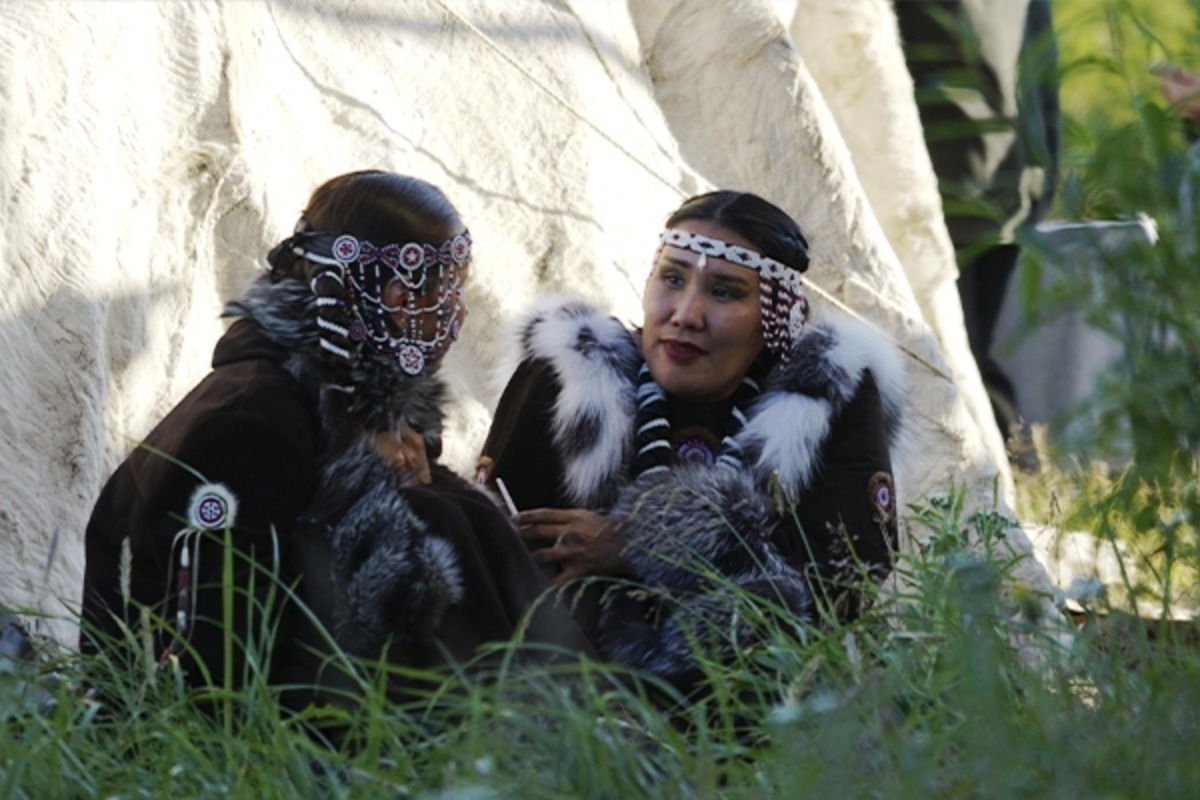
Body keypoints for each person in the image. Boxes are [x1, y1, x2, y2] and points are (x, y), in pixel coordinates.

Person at [80, 170, 585, 709]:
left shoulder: (349, 417)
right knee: (434, 515)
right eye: (448, 289)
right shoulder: (250, 421)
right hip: (217, 734)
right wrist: (375, 495)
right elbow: (213, 652)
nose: (459, 315)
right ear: (397, 299)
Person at [476, 190, 907, 692]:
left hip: (761, 704)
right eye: (673, 279)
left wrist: (645, 547)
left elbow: (843, 590)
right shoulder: (573, 379)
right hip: (563, 698)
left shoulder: (824, 401)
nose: (685, 314)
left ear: (776, 317)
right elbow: (493, 559)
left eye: (723, 292)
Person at [895, 0, 1060, 472]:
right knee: (966, 356)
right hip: (1004, 170)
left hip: (943, 176)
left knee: (946, 361)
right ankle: (1014, 476)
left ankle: (1001, 481)